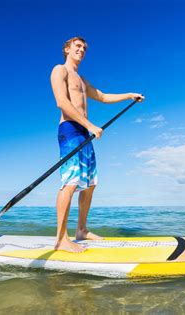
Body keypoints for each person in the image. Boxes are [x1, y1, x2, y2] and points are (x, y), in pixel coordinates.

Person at [50, 36, 144, 252]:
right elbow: (61, 102)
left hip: (84, 132)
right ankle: (60, 239)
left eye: (84, 48)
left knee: (91, 184)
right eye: (77, 46)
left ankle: (81, 230)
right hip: (70, 130)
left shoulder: (82, 80)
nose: (81, 50)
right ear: (66, 49)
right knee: (71, 182)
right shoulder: (59, 70)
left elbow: (101, 96)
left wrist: (129, 95)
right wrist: (90, 125)